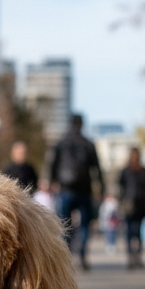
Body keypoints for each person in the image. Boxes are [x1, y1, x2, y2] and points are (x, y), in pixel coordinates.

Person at [49, 113, 103, 270]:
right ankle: (83, 252)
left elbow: (54, 164)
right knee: (85, 224)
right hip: (84, 189)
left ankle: (65, 257)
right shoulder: (88, 144)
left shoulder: (62, 143)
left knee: (65, 223)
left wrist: (53, 182)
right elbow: (97, 169)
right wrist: (100, 189)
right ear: (81, 125)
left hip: (65, 189)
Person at [118, 147, 145, 269]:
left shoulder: (129, 171)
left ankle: (132, 255)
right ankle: (136, 255)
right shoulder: (141, 171)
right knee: (136, 230)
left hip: (133, 203)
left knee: (131, 231)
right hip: (137, 203)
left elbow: (121, 188)